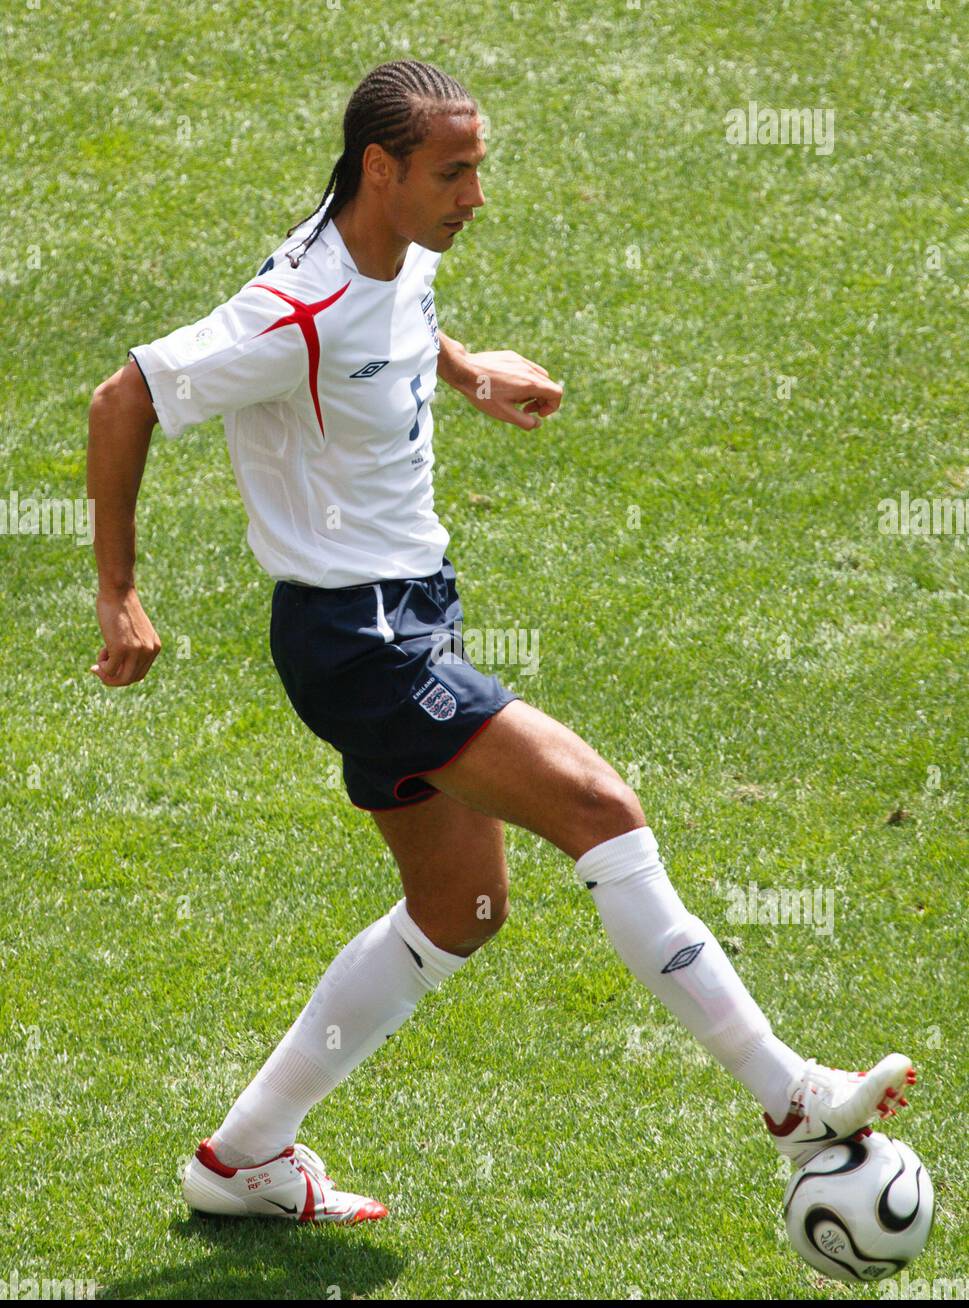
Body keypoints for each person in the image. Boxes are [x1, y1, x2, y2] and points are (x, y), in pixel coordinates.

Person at [87, 60, 915, 1227]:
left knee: (461, 911)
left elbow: (401, 315)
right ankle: (788, 1097)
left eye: (479, 167)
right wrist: (119, 594)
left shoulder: (399, 251)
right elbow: (122, 399)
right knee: (601, 810)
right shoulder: (292, 312)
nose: (475, 195)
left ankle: (243, 1160)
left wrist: (467, 372)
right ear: (382, 170)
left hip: (413, 608)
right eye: (453, 171)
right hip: (358, 638)